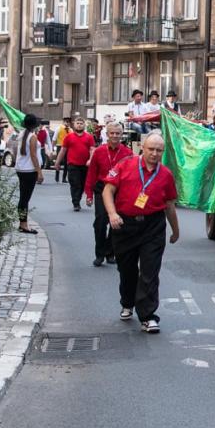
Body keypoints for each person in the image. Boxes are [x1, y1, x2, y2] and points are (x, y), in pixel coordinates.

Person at [103, 132, 180, 333]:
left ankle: (148, 316)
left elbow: (170, 205)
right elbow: (107, 191)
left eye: (159, 150)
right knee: (127, 270)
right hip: (124, 225)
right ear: (142, 148)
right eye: (151, 149)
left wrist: (175, 230)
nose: (154, 154)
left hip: (152, 226)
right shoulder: (124, 165)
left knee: (150, 271)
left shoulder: (166, 175)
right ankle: (127, 302)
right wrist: (112, 214)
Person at [85, 121, 133, 267]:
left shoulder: (128, 153)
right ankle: (99, 253)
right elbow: (92, 174)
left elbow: (132, 176)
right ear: (107, 135)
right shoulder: (99, 151)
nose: (115, 136)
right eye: (112, 133)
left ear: (121, 135)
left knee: (116, 223)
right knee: (100, 222)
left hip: (119, 191)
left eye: (117, 133)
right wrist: (88, 194)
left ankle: (110, 252)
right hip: (101, 188)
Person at [54, 117, 95, 211]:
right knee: (75, 184)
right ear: (74, 124)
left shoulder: (89, 137)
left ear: (84, 125)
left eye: (81, 123)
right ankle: (75, 203)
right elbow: (63, 150)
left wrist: (90, 160)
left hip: (85, 165)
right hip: (72, 165)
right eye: (78, 123)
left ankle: (78, 199)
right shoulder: (69, 137)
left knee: (82, 184)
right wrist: (57, 162)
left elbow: (92, 149)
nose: (79, 125)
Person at [14, 114, 44, 234]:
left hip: (20, 169)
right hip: (29, 170)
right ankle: (24, 225)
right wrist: (39, 172)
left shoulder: (21, 134)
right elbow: (33, 155)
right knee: (25, 199)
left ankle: (22, 223)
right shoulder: (32, 137)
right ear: (34, 125)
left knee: (23, 198)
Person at [53, 117, 71, 182]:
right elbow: (54, 138)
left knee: (67, 163)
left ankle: (64, 178)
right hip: (60, 146)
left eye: (68, 122)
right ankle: (57, 175)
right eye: (66, 122)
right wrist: (53, 148)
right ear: (63, 122)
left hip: (68, 148)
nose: (67, 123)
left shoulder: (70, 130)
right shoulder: (58, 128)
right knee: (59, 161)